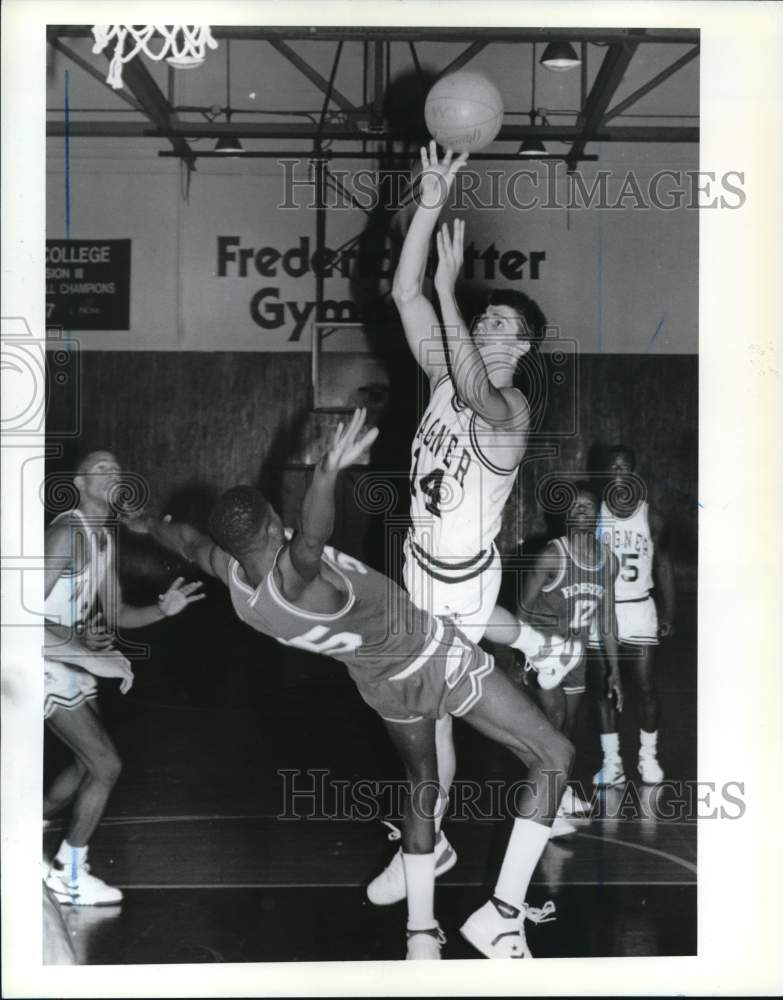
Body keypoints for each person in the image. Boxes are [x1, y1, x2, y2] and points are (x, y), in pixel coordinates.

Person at [133, 409, 573, 960]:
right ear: (270, 524)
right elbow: (312, 538)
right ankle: (502, 918)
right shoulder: (295, 577)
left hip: (381, 684)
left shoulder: (234, 578)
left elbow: (185, 540)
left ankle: (420, 935)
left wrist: (143, 522)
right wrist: (326, 474)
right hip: (431, 656)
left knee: (423, 785)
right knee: (553, 754)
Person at [371, 143, 564, 900]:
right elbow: (404, 292)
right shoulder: (445, 379)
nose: (483, 323)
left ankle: (433, 844)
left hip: (455, 579)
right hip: (424, 563)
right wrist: (428, 203)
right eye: (481, 317)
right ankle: (540, 644)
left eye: (497, 322)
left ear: (522, 346)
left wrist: (452, 293)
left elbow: (479, 390)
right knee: (427, 715)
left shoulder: (510, 408)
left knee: (430, 720)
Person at [43, 450, 205, 905]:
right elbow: (18, 613)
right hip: (39, 657)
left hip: (66, 657)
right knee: (106, 764)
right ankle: (69, 874)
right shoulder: (66, 533)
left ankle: (25, 826)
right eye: (100, 468)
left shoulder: (102, 540)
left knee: (86, 764)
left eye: (116, 468)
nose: (112, 473)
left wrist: (163, 609)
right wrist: (83, 648)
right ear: (79, 484)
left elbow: (116, 614)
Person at [520, 482, 623, 816]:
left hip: (576, 657)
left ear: (598, 514)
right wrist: (522, 654)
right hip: (543, 652)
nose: (580, 510)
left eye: (588, 505)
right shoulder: (551, 556)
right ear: (564, 512)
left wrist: (615, 670)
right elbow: (522, 610)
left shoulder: (608, 561)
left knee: (566, 731)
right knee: (555, 720)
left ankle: (557, 793)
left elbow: (607, 618)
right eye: (574, 505)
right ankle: (542, 806)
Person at [591, 446, 676, 786]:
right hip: (602, 610)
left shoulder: (651, 517)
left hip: (640, 607)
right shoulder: (593, 514)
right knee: (604, 688)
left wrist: (669, 612)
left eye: (624, 467)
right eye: (612, 467)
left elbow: (664, 567)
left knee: (645, 686)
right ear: (605, 473)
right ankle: (611, 762)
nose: (618, 472)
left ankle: (648, 757)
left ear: (633, 472)